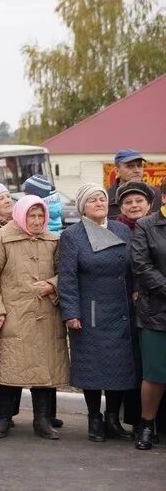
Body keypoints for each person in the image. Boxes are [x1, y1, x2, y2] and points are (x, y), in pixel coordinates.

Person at [0, 195, 68, 439]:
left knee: (43, 371)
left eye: (41, 216)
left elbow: (67, 272)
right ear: (21, 215)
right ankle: (3, 419)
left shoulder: (53, 240)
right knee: (11, 369)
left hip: (46, 314)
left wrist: (52, 285)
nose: (37, 221)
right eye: (32, 215)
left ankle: (42, 420)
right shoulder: (4, 237)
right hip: (14, 313)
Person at [59, 182, 136, 442]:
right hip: (89, 312)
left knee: (120, 366)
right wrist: (71, 312)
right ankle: (95, 419)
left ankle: (113, 419)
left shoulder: (122, 230)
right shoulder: (72, 235)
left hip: (121, 310)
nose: (99, 203)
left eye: (102, 199)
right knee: (91, 367)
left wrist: (136, 296)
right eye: (92, 200)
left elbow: (133, 268)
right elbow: (67, 277)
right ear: (82, 206)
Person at [113, 181, 158, 432]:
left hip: (153, 302)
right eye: (128, 202)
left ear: (149, 204)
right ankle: (133, 419)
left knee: (150, 365)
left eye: (138, 201)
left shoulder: (157, 227)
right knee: (131, 362)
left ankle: (152, 420)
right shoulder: (116, 229)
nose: (134, 205)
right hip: (124, 304)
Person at [130, 179, 166, 449]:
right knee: (155, 372)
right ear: (162, 197)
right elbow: (141, 266)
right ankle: (147, 424)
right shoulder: (146, 225)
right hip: (156, 311)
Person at [107, 149, 162, 219]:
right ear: (117, 171)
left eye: (139, 166)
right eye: (130, 166)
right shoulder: (105, 199)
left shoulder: (157, 195)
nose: (137, 170)